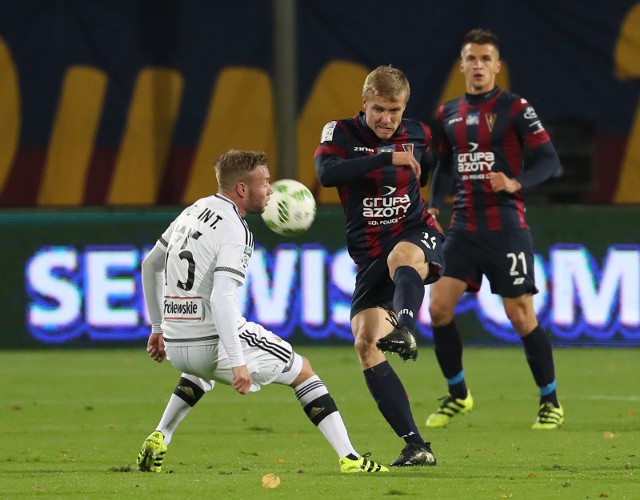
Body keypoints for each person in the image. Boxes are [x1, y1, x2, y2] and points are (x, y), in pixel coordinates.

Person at [135, 149, 388, 474]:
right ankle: (350, 458)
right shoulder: (235, 230)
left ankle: (161, 434)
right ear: (242, 189)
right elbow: (222, 299)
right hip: (212, 345)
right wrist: (238, 362)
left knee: (201, 372)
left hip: (177, 345)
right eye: (265, 182)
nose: (271, 190)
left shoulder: (193, 210)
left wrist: (158, 327)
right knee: (303, 371)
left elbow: (150, 264)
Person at [425, 28, 564, 430]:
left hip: (506, 226)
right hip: (463, 226)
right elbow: (446, 165)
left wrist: (517, 181)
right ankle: (458, 395)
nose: (479, 65)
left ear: (497, 66)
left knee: (520, 315)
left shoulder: (516, 108)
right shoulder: (448, 113)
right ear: (463, 65)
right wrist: (434, 204)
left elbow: (548, 160)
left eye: (486, 59)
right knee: (437, 309)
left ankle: (550, 400)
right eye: (472, 58)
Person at [314, 66, 444, 466]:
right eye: (379, 110)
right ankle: (416, 445)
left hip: (416, 234)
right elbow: (325, 174)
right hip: (369, 257)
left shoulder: (420, 132)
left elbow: (439, 164)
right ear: (364, 103)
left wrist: (437, 199)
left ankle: (406, 325)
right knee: (365, 342)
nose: (388, 119)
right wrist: (385, 156)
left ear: (404, 106)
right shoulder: (339, 132)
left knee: (401, 257)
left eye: (395, 110)